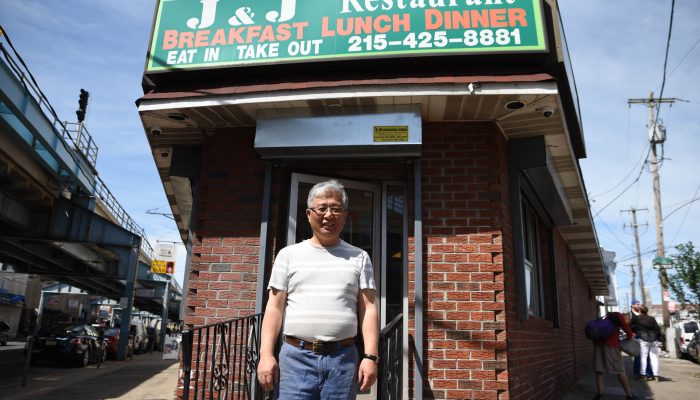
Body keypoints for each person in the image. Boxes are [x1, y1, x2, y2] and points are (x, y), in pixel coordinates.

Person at [257, 180, 379, 399]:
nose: (329, 214)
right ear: (309, 213)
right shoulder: (288, 255)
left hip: (343, 360)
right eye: (322, 208)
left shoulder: (360, 257)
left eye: (336, 208)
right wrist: (266, 354)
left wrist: (370, 357)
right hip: (294, 360)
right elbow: (274, 308)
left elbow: (368, 308)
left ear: (345, 214)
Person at [592, 311, 638, 400]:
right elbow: (626, 328)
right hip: (611, 345)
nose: (628, 323)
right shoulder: (618, 316)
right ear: (626, 318)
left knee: (599, 370)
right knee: (620, 370)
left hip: (598, 344)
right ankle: (629, 395)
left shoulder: (606, 316)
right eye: (628, 321)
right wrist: (630, 337)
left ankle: (600, 395)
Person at [630, 304, 662, 382]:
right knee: (654, 357)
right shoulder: (652, 319)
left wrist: (635, 332)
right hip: (654, 339)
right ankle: (656, 375)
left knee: (643, 357)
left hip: (643, 339)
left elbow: (631, 327)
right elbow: (657, 329)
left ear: (640, 311)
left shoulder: (636, 319)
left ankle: (643, 375)